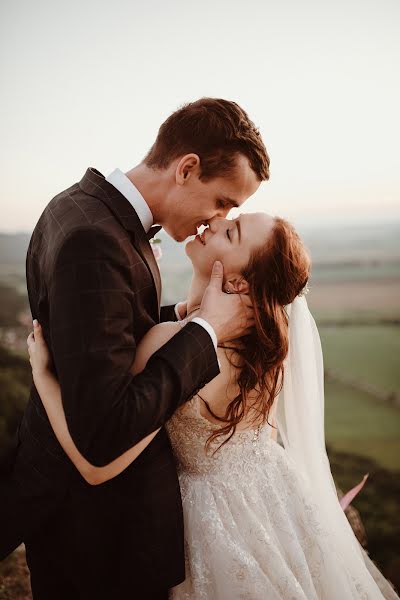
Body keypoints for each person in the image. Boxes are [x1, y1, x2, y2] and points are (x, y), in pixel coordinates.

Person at [28, 213, 399, 599]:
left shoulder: (168, 343)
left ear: (238, 281)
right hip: (276, 502)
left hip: (206, 523)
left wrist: (43, 376)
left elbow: (98, 462)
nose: (217, 221)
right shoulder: (265, 352)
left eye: (231, 232)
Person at [0, 98, 270, 599]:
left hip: (87, 526)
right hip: (97, 538)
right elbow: (104, 433)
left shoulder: (76, 205)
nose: (217, 218)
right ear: (187, 168)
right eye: (223, 202)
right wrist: (205, 332)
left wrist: (178, 318)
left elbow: (104, 327)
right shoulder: (94, 240)